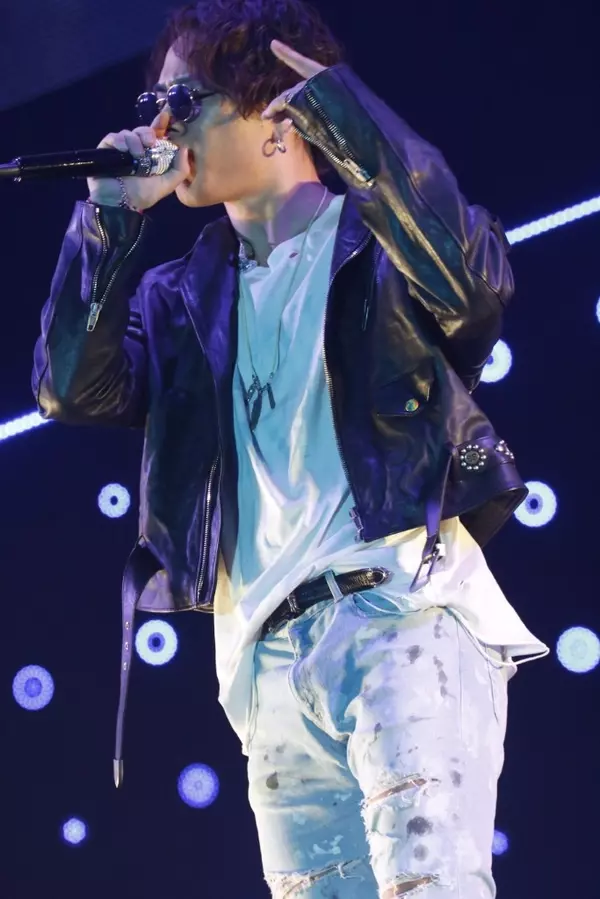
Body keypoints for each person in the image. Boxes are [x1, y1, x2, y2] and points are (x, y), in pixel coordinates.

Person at [32, 0, 549, 895]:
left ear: (277, 113)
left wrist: (348, 117)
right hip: (266, 666)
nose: (162, 128)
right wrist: (107, 223)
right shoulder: (181, 301)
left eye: (185, 100)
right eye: (155, 103)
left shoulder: (380, 244)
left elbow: (474, 283)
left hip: (398, 615)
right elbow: (69, 387)